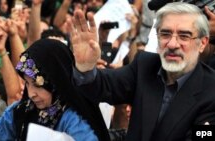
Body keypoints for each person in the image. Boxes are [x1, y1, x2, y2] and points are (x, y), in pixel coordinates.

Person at [67, 2, 215, 141]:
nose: (172, 44)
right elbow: (103, 85)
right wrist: (85, 66)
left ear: (202, 43)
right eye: (165, 34)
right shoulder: (145, 65)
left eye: (184, 36)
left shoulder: (211, 90)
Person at [0, 38, 110, 141]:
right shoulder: (22, 110)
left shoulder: (74, 119)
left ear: (56, 80)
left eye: (38, 84)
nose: (31, 93)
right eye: (27, 84)